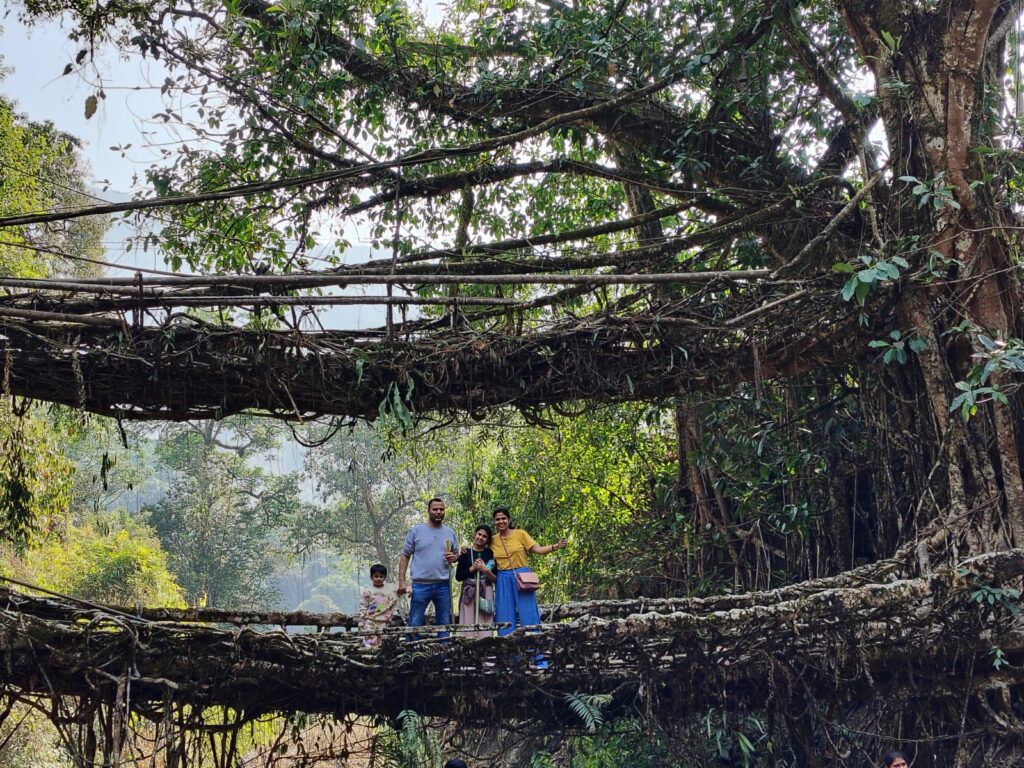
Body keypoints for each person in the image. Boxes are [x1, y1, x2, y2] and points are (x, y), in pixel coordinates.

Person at [491, 506, 567, 637]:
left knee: (528, 611)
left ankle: (534, 650)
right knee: (504, 614)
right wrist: (463, 551)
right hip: (502, 577)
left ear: (509, 520)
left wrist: (556, 546)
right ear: (494, 522)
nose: (501, 521)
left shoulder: (520, 534)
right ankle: (507, 651)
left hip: (522, 576)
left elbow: (538, 550)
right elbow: (479, 548)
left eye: (503, 518)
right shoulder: (492, 540)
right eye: (497, 519)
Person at [397, 497, 459, 637]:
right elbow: (405, 555)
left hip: (443, 584)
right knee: (415, 622)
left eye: (441, 509)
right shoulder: (416, 531)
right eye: (435, 509)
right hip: (420, 584)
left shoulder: (450, 532)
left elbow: (456, 554)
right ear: (428, 511)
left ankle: (443, 655)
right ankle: (412, 654)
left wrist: (455, 557)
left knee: (444, 622)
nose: (438, 512)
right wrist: (402, 580)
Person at [455, 524, 497, 636]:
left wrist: (485, 570)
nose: (481, 538)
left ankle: (485, 644)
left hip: (485, 590)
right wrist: (472, 568)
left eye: (484, 536)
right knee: (467, 619)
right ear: (474, 534)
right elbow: (458, 577)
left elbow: (495, 578)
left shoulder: (490, 554)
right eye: (479, 534)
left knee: (485, 618)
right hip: (469, 590)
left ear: (487, 540)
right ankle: (467, 645)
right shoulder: (465, 553)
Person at [357, 563, 397, 648]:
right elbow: (363, 606)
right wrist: (361, 620)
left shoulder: (389, 590)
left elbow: (398, 592)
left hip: (383, 620)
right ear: (371, 577)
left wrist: (408, 589)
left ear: (384, 577)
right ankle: (368, 656)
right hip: (370, 620)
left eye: (381, 576)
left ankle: (379, 657)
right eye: (376, 576)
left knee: (381, 640)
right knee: (369, 638)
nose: (378, 578)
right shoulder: (368, 591)